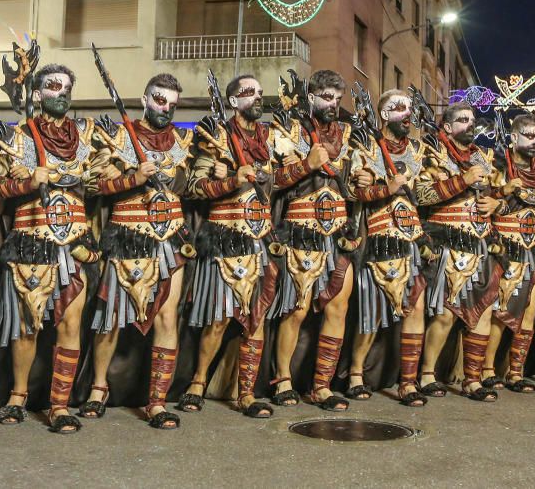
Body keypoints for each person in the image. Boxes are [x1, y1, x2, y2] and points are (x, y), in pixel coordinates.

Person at [0, 63, 103, 435]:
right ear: (37, 94)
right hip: (30, 241)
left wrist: (68, 176)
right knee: (27, 325)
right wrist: (23, 183)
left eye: (67, 86)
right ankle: (17, 397)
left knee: (70, 323)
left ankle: (60, 404)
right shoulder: (14, 136)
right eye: (53, 86)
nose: (61, 92)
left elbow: (101, 182)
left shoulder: (89, 136)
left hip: (75, 242)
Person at [82, 73, 195, 429]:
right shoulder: (117, 137)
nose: (166, 107)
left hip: (171, 237)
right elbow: (92, 184)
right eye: (160, 100)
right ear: (145, 98)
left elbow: (191, 187)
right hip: (128, 234)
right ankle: (98, 389)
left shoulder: (183, 140)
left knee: (166, 316)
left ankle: (157, 401)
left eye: (172, 103)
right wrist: (133, 177)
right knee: (112, 316)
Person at [180, 74, 281, 419]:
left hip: (259, 236)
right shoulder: (216, 135)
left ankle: (247, 393)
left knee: (255, 318)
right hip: (225, 236)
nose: (256, 97)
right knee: (219, 319)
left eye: (259, 92)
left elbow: (277, 181)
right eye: (248, 92)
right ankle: (197, 382)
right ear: (233, 100)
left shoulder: (269, 138)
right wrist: (227, 181)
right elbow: (193, 186)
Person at [266, 70, 362, 412]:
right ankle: (283, 380)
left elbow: (354, 188)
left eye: (337, 98)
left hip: (338, 234)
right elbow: (271, 181)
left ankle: (321, 386)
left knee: (338, 307)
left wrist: (361, 178)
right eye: (326, 97)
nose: (332, 104)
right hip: (299, 230)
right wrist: (306, 165)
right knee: (297, 309)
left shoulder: (350, 135)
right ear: (311, 97)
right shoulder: (288, 128)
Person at [345, 89, 430, 407]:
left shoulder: (419, 151)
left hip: (411, 237)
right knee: (371, 310)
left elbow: (425, 194)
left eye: (408, 109)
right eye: (397, 108)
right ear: (383, 115)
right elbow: (354, 192)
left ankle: (408, 383)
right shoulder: (365, 146)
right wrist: (384, 187)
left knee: (415, 308)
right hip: (376, 237)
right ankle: (355, 374)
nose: (406, 114)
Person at [416, 101, 505, 403]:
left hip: (482, 244)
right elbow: (422, 194)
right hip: (447, 243)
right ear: (448, 126)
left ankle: (472, 379)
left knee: (483, 313)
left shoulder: (483, 157)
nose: (470, 124)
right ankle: (427, 374)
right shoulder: (432, 152)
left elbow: (500, 195)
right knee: (446, 315)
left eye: (472, 119)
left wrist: (497, 205)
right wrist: (462, 180)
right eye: (463, 120)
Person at [481, 112, 535, 394]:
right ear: (513, 137)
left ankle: (516, 372)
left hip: (531, 247)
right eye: (529, 136)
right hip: (503, 248)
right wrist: (502, 192)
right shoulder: (495, 162)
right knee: (499, 311)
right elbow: (483, 198)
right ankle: (487, 369)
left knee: (529, 312)